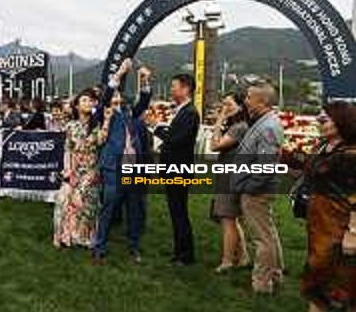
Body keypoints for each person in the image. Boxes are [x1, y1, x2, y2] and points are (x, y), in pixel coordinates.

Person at [92, 58, 152, 264]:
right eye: (114, 102)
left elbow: (144, 100)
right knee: (109, 206)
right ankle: (99, 246)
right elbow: (106, 95)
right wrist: (119, 73)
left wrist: (143, 80)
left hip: (133, 168)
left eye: (119, 102)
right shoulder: (104, 114)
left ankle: (134, 246)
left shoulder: (130, 115)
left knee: (135, 209)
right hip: (113, 168)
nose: (117, 105)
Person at [298, 103, 356, 312]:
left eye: (325, 119)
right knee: (316, 281)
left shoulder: (351, 154)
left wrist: (353, 233)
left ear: (342, 121)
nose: (319, 122)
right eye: (319, 118)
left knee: (342, 287)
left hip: (339, 228)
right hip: (319, 225)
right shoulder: (323, 147)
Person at [231, 83, 285, 294]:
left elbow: (265, 165)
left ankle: (262, 283)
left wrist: (248, 187)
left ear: (262, 102)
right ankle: (275, 274)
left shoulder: (269, 126)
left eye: (250, 97)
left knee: (262, 238)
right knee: (268, 234)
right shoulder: (264, 122)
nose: (246, 100)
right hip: (256, 189)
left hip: (256, 192)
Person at [153, 73, 200, 266]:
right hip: (173, 169)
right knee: (176, 212)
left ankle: (185, 255)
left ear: (185, 88)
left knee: (179, 212)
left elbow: (176, 139)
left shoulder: (189, 113)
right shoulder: (183, 111)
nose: (172, 90)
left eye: (174, 86)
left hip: (178, 170)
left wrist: (157, 128)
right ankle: (179, 251)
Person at [53, 89, 110, 248]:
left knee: (81, 198)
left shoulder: (96, 124)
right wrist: (69, 171)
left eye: (91, 101)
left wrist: (105, 121)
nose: (88, 103)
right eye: (84, 100)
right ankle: (65, 235)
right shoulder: (70, 125)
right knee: (63, 198)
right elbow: (68, 149)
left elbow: (100, 141)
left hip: (91, 169)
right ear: (77, 106)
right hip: (73, 168)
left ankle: (83, 236)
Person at [209, 91, 250, 273]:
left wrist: (219, 120)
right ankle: (243, 256)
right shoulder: (241, 125)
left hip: (230, 176)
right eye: (223, 104)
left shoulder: (239, 127)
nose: (225, 108)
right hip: (232, 174)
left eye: (229, 105)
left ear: (240, 107)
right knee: (232, 218)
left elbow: (215, 145)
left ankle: (227, 261)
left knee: (227, 219)